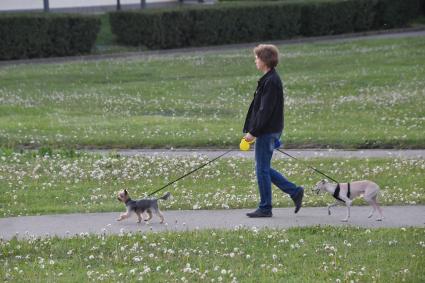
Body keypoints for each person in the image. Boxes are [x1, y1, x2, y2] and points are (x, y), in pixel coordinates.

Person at [243, 44, 304, 218]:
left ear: (264, 60)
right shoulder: (269, 79)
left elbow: (265, 111)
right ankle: (294, 191)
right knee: (263, 168)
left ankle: (265, 207)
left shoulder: (271, 81)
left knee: (261, 169)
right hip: (269, 130)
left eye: (257, 58)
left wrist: (253, 132)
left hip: (266, 131)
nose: (255, 60)